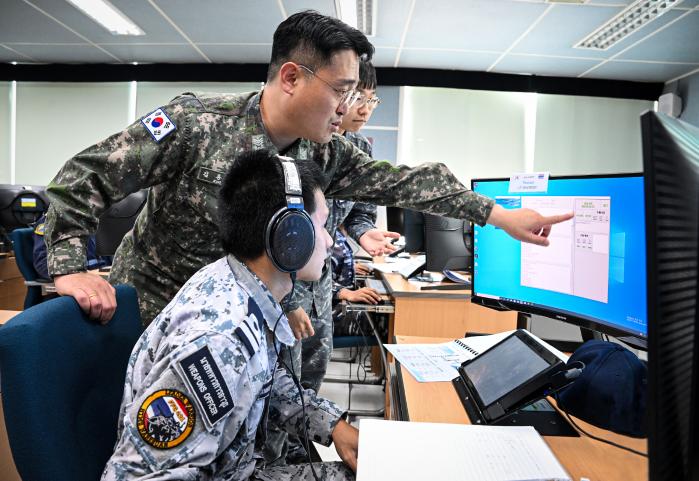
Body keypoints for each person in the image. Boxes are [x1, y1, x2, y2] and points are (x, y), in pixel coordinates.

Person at [44, 9, 572, 327]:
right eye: (341, 91)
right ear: (292, 77)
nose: (347, 108)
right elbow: (85, 176)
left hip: (237, 319)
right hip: (154, 312)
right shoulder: (194, 122)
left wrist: (497, 214)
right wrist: (68, 266)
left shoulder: (320, 151)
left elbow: (402, 181)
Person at [102, 150, 358, 481]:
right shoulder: (217, 340)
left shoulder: (240, 285)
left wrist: (331, 424)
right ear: (290, 234)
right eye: (322, 226)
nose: (330, 240)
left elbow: (254, 378)